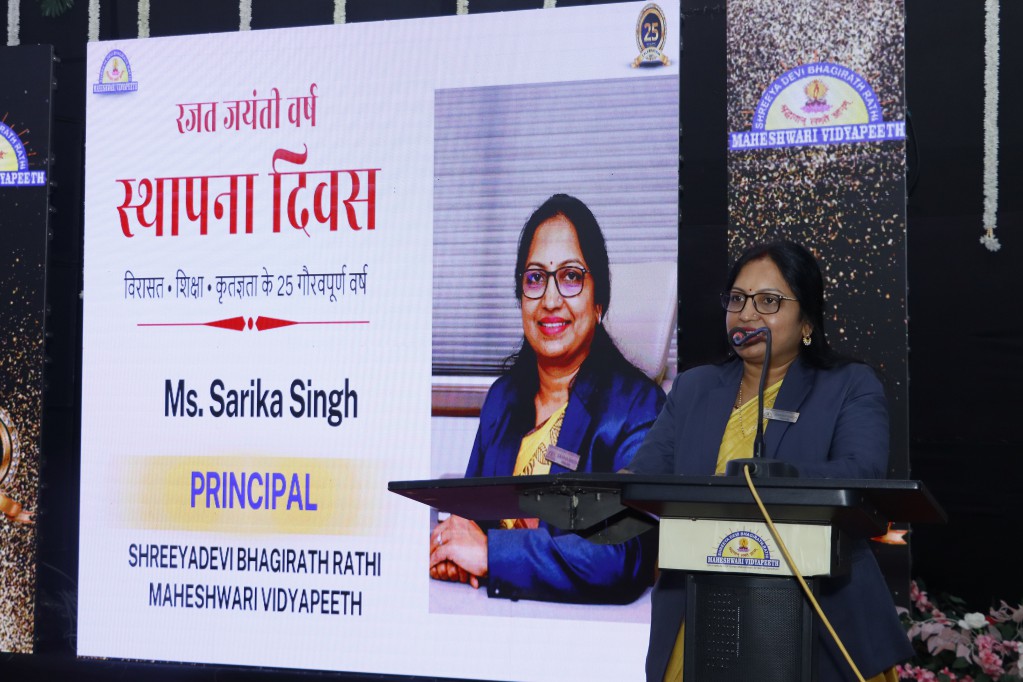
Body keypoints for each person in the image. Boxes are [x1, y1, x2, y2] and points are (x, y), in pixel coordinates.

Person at [626, 240, 912, 681]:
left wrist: (769, 479)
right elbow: (645, 477)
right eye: (737, 299)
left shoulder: (849, 385)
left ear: (807, 321)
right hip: (699, 604)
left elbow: (861, 473)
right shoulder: (694, 388)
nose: (747, 314)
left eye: (768, 301)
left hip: (818, 611)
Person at [429, 193, 665, 603]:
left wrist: (490, 555)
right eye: (535, 278)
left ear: (598, 301)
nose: (550, 300)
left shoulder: (637, 408)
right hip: (490, 619)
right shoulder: (502, 400)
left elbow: (623, 554)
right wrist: (451, 549)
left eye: (571, 277)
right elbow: (470, 519)